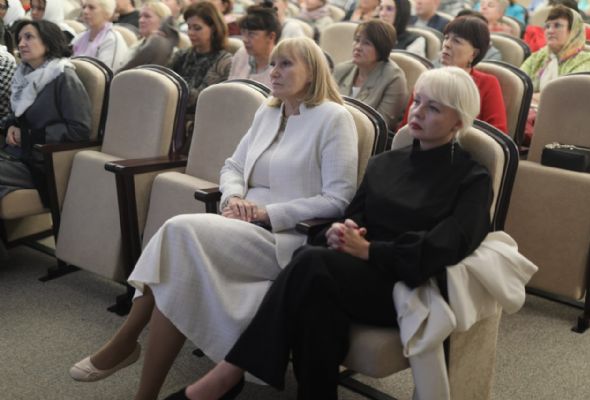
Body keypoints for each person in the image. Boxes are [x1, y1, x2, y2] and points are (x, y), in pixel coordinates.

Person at [164, 66, 492, 400]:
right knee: (315, 292)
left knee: (311, 266)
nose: (418, 112)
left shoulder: (471, 178)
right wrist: (339, 232)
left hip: (410, 286)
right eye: (417, 101)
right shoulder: (385, 164)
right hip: (357, 273)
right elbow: (353, 218)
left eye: (433, 108)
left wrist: (370, 251)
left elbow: (447, 246)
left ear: (458, 122)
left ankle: (226, 375)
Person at [69, 36, 359, 400]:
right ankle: (143, 388)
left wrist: (268, 213)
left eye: (286, 64)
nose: (274, 71)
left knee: (177, 230)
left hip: (286, 239)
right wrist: (234, 197)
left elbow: (338, 199)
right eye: (273, 64)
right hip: (241, 225)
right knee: (177, 271)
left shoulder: (334, 118)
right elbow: (232, 166)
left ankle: (126, 342)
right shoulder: (268, 112)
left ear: (312, 71)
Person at [0, 20, 91, 204]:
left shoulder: (63, 76)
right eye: (20, 39)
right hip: (15, 153)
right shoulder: (23, 73)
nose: (21, 44)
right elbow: (17, 115)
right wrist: (11, 126)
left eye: (29, 37)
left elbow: (79, 130)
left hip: (39, 161)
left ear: (48, 42)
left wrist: (29, 135)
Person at [401, 16, 508, 134]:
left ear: (474, 54)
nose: (446, 44)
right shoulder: (427, 79)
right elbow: (404, 128)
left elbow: (496, 135)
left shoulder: (487, 84)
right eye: (446, 38)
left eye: (456, 41)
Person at [521, 5, 590, 143]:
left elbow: (565, 98)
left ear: (573, 31)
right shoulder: (540, 56)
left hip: (564, 124)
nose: (550, 31)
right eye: (547, 26)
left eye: (557, 25)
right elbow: (520, 87)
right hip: (532, 116)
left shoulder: (585, 60)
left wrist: (531, 97)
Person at [334, 19, 408, 128]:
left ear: (382, 48)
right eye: (357, 40)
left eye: (366, 43)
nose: (358, 47)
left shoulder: (394, 78)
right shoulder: (341, 69)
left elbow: (381, 126)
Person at [169, 1, 231, 112]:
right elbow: (164, 84)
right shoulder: (181, 55)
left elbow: (203, 99)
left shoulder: (224, 62)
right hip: (172, 111)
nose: (191, 33)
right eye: (189, 27)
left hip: (202, 117)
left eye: (197, 28)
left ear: (214, 29)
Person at [228, 4, 280, 87]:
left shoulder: (281, 67)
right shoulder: (242, 54)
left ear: (271, 37)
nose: (244, 39)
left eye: (251, 34)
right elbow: (229, 88)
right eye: (243, 32)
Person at [119, 1, 178, 71]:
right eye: (140, 17)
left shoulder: (171, 52)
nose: (141, 20)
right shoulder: (136, 45)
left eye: (147, 16)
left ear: (162, 20)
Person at [72, 0, 129, 70]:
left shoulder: (112, 39)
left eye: (91, 8)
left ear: (106, 13)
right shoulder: (79, 37)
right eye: (84, 7)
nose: (85, 11)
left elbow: (106, 74)